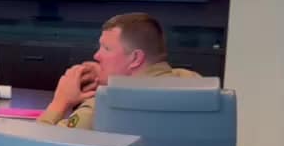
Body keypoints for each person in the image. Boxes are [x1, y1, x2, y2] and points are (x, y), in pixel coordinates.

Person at [38, 12, 200, 130]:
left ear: (135, 58)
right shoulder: (196, 84)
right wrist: (110, 80)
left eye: (106, 48)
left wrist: (60, 102)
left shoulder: (102, 109)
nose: (97, 55)